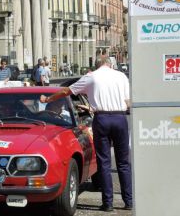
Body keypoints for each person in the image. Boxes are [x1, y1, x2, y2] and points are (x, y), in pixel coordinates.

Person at [40, 56, 132, 212]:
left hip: (101, 119)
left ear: (96, 66)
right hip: (120, 117)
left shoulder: (92, 77)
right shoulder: (121, 76)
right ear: (109, 65)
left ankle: (108, 203)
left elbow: (66, 91)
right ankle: (128, 201)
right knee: (123, 162)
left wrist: (47, 99)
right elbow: (128, 101)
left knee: (104, 162)